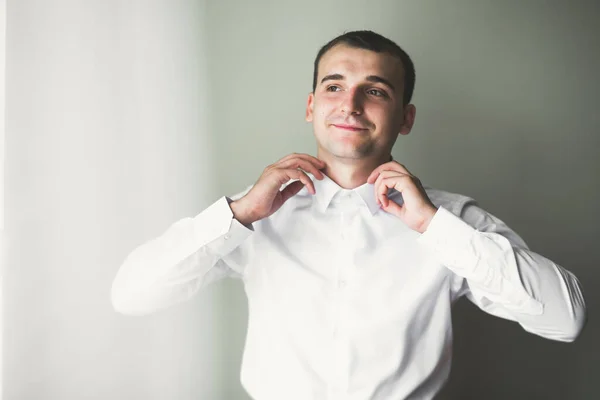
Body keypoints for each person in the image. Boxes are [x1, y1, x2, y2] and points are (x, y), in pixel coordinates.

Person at [110, 30, 587, 400]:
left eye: (375, 91)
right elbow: (132, 295)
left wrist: (432, 226)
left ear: (405, 117)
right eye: (334, 86)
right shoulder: (254, 212)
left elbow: (565, 321)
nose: (351, 105)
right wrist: (238, 214)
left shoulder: (452, 221)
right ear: (312, 106)